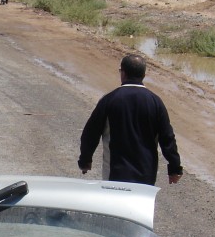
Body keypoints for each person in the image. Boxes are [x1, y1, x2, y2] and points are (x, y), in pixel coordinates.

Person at [77, 54, 183, 186]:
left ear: (123, 73)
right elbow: (167, 138)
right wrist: (174, 168)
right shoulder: (155, 102)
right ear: (143, 75)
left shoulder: (109, 100)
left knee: (114, 206)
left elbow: (90, 133)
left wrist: (85, 160)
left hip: (115, 173)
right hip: (146, 174)